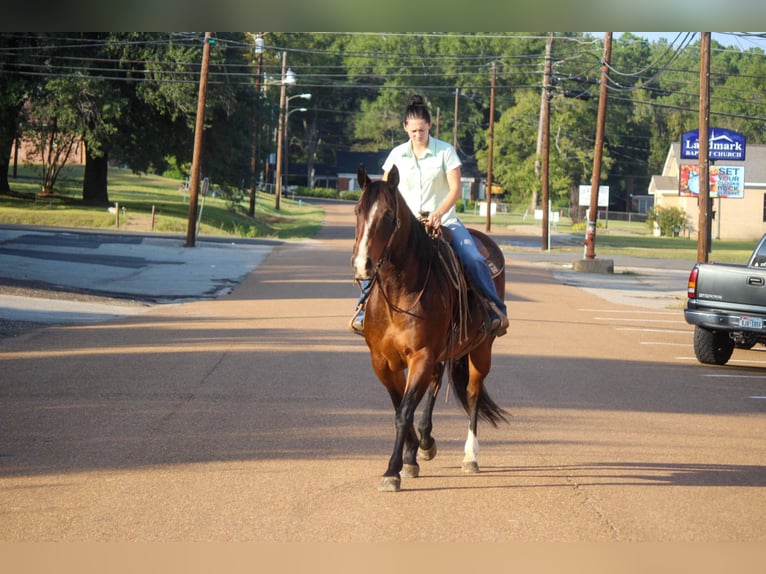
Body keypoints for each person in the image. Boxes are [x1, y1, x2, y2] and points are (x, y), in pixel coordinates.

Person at [351, 94, 508, 337]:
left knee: (474, 258)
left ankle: (494, 309)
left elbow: (455, 189)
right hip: (406, 226)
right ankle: (363, 309)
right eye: (413, 131)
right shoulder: (396, 156)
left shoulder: (445, 151)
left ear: (430, 126)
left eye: (422, 130)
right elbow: (385, 194)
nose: (417, 135)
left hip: (444, 221)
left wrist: (438, 213)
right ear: (405, 128)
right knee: (376, 257)